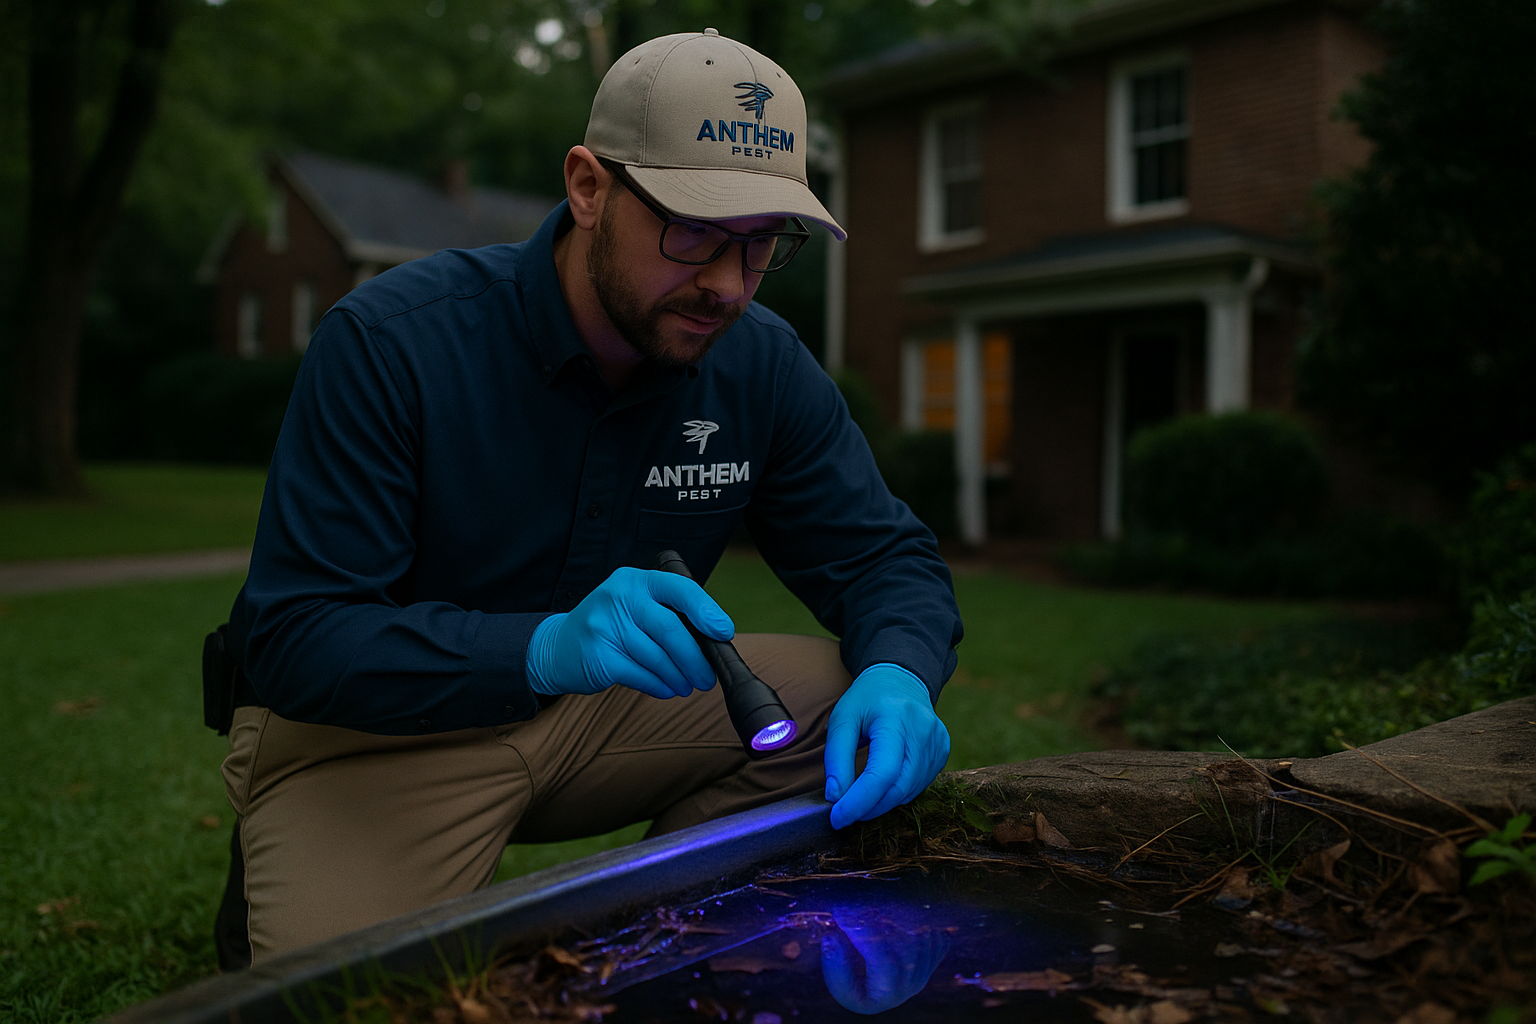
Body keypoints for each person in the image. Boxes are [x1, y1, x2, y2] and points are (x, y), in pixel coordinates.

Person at [217, 28, 962, 965]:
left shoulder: (759, 361)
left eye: (763, 243)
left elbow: (883, 558)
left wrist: (900, 671)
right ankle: (292, 877)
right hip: (369, 734)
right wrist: (541, 646)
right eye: (693, 230)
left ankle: (660, 941)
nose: (727, 286)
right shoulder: (393, 342)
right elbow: (296, 636)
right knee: (350, 994)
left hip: (604, 718)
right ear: (588, 186)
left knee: (839, 696)